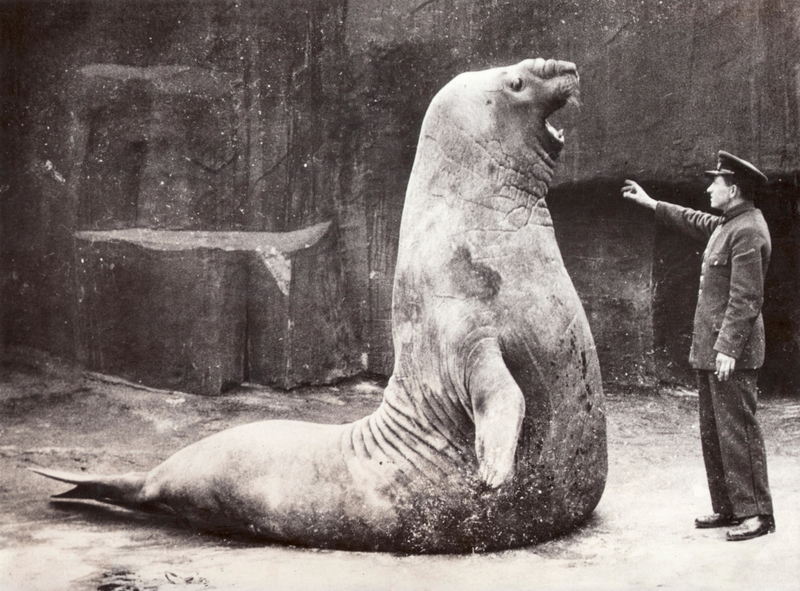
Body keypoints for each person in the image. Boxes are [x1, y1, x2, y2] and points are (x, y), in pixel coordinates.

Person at [622, 150, 775, 542]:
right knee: (715, 431)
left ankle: (757, 514)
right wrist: (652, 204)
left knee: (738, 430)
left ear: (734, 189)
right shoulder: (729, 223)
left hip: (730, 354)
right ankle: (729, 507)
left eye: (716, 183)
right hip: (713, 352)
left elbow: (746, 298)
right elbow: (695, 220)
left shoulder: (749, 230)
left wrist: (728, 348)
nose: (709, 188)